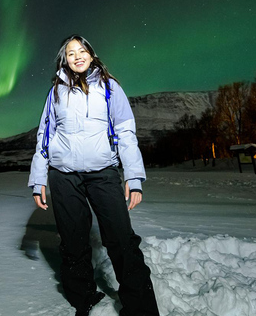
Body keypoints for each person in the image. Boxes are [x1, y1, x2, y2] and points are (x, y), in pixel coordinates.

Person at [28, 35, 159, 316]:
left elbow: (125, 133)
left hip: (103, 173)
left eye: (82, 50)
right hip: (64, 176)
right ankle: (82, 298)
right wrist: (38, 180)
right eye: (71, 52)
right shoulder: (55, 93)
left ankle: (141, 308)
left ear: (91, 53)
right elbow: (45, 137)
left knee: (121, 240)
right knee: (73, 241)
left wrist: (133, 177)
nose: (77, 55)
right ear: (64, 60)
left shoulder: (110, 88)